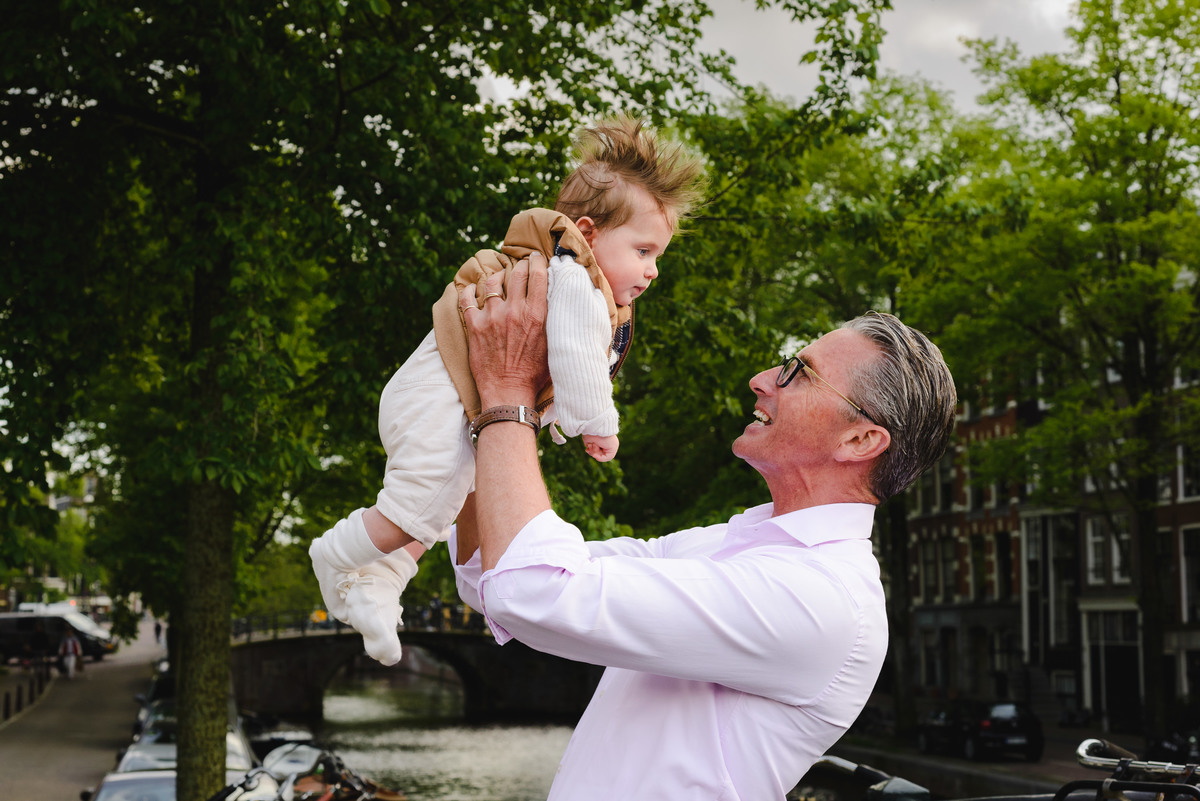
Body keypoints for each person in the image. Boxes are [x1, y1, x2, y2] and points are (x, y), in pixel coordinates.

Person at [449, 255, 957, 799]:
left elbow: (531, 588)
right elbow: (492, 574)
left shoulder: (823, 599)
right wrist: (478, 398)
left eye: (799, 373)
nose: (761, 380)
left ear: (859, 441)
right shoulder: (727, 543)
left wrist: (507, 387)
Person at [309, 116, 706, 665]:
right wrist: (598, 423)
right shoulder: (573, 276)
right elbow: (575, 357)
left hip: (447, 403)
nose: (653, 270)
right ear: (588, 234)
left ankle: (378, 583)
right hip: (436, 397)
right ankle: (334, 554)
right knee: (414, 507)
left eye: (658, 256)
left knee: (440, 505)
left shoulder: (567, 275)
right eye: (644, 251)